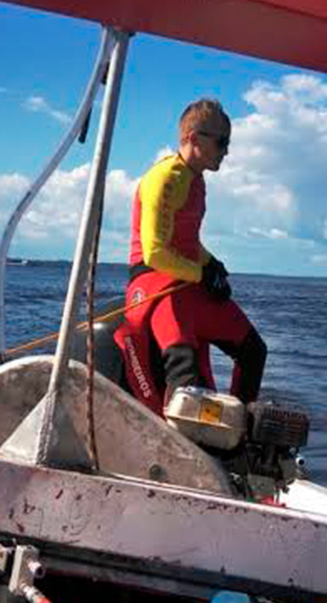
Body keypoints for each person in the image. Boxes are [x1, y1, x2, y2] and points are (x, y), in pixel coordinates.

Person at [113, 99, 267, 415]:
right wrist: (202, 274)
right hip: (155, 284)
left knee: (254, 351)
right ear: (194, 138)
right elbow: (155, 251)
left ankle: (238, 436)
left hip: (186, 280)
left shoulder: (196, 180)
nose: (226, 151)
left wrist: (212, 264)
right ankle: (183, 441)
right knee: (186, 375)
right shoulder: (165, 177)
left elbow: (187, 241)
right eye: (221, 141)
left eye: (228, 143)